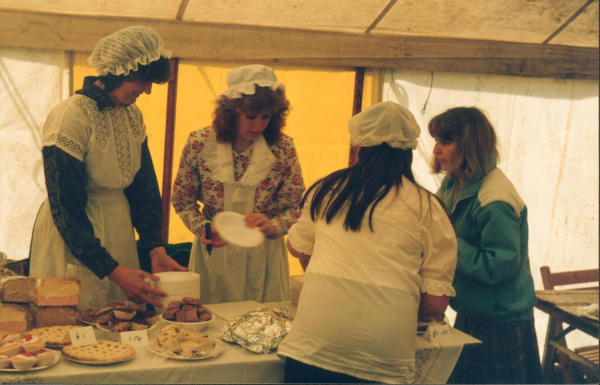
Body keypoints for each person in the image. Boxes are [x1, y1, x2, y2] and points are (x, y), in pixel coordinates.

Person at [277, 101, 458, 384]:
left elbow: (297, 246)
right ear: (408, 150)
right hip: (383, 353)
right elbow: (436, 303)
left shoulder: (327, 190)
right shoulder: (428, 208)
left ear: (360, 146)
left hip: (313, 341)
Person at [30, 26, 188, 309]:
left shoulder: (132, 116)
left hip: (118, 226)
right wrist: (112, 270)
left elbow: (144, 187)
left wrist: (154, 245)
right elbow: (65, 205)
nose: (147, 91)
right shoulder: (70, 117)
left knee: (118, 322)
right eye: (143, 81)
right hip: (74, 233)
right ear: (119, 70)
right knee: (72, 317)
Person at [172, 64, 305, 304]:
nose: (259, 125)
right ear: (231, 112)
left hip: (263, 255)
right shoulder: (200, 143)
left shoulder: (283, 147)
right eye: (251, 117)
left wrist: (273, 224)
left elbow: (296, 206)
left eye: (267, 117)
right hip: (215, 249)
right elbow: (183, 200)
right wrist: (203, 228)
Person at [428, 107, 542, 384]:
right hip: (472, 311)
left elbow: (497, 265)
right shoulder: (454, 183)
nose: (436, 150)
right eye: (436, 141)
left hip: (502, 321)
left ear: (469, 145)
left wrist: (448, 242)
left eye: (445, 141)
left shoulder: (495, 198)